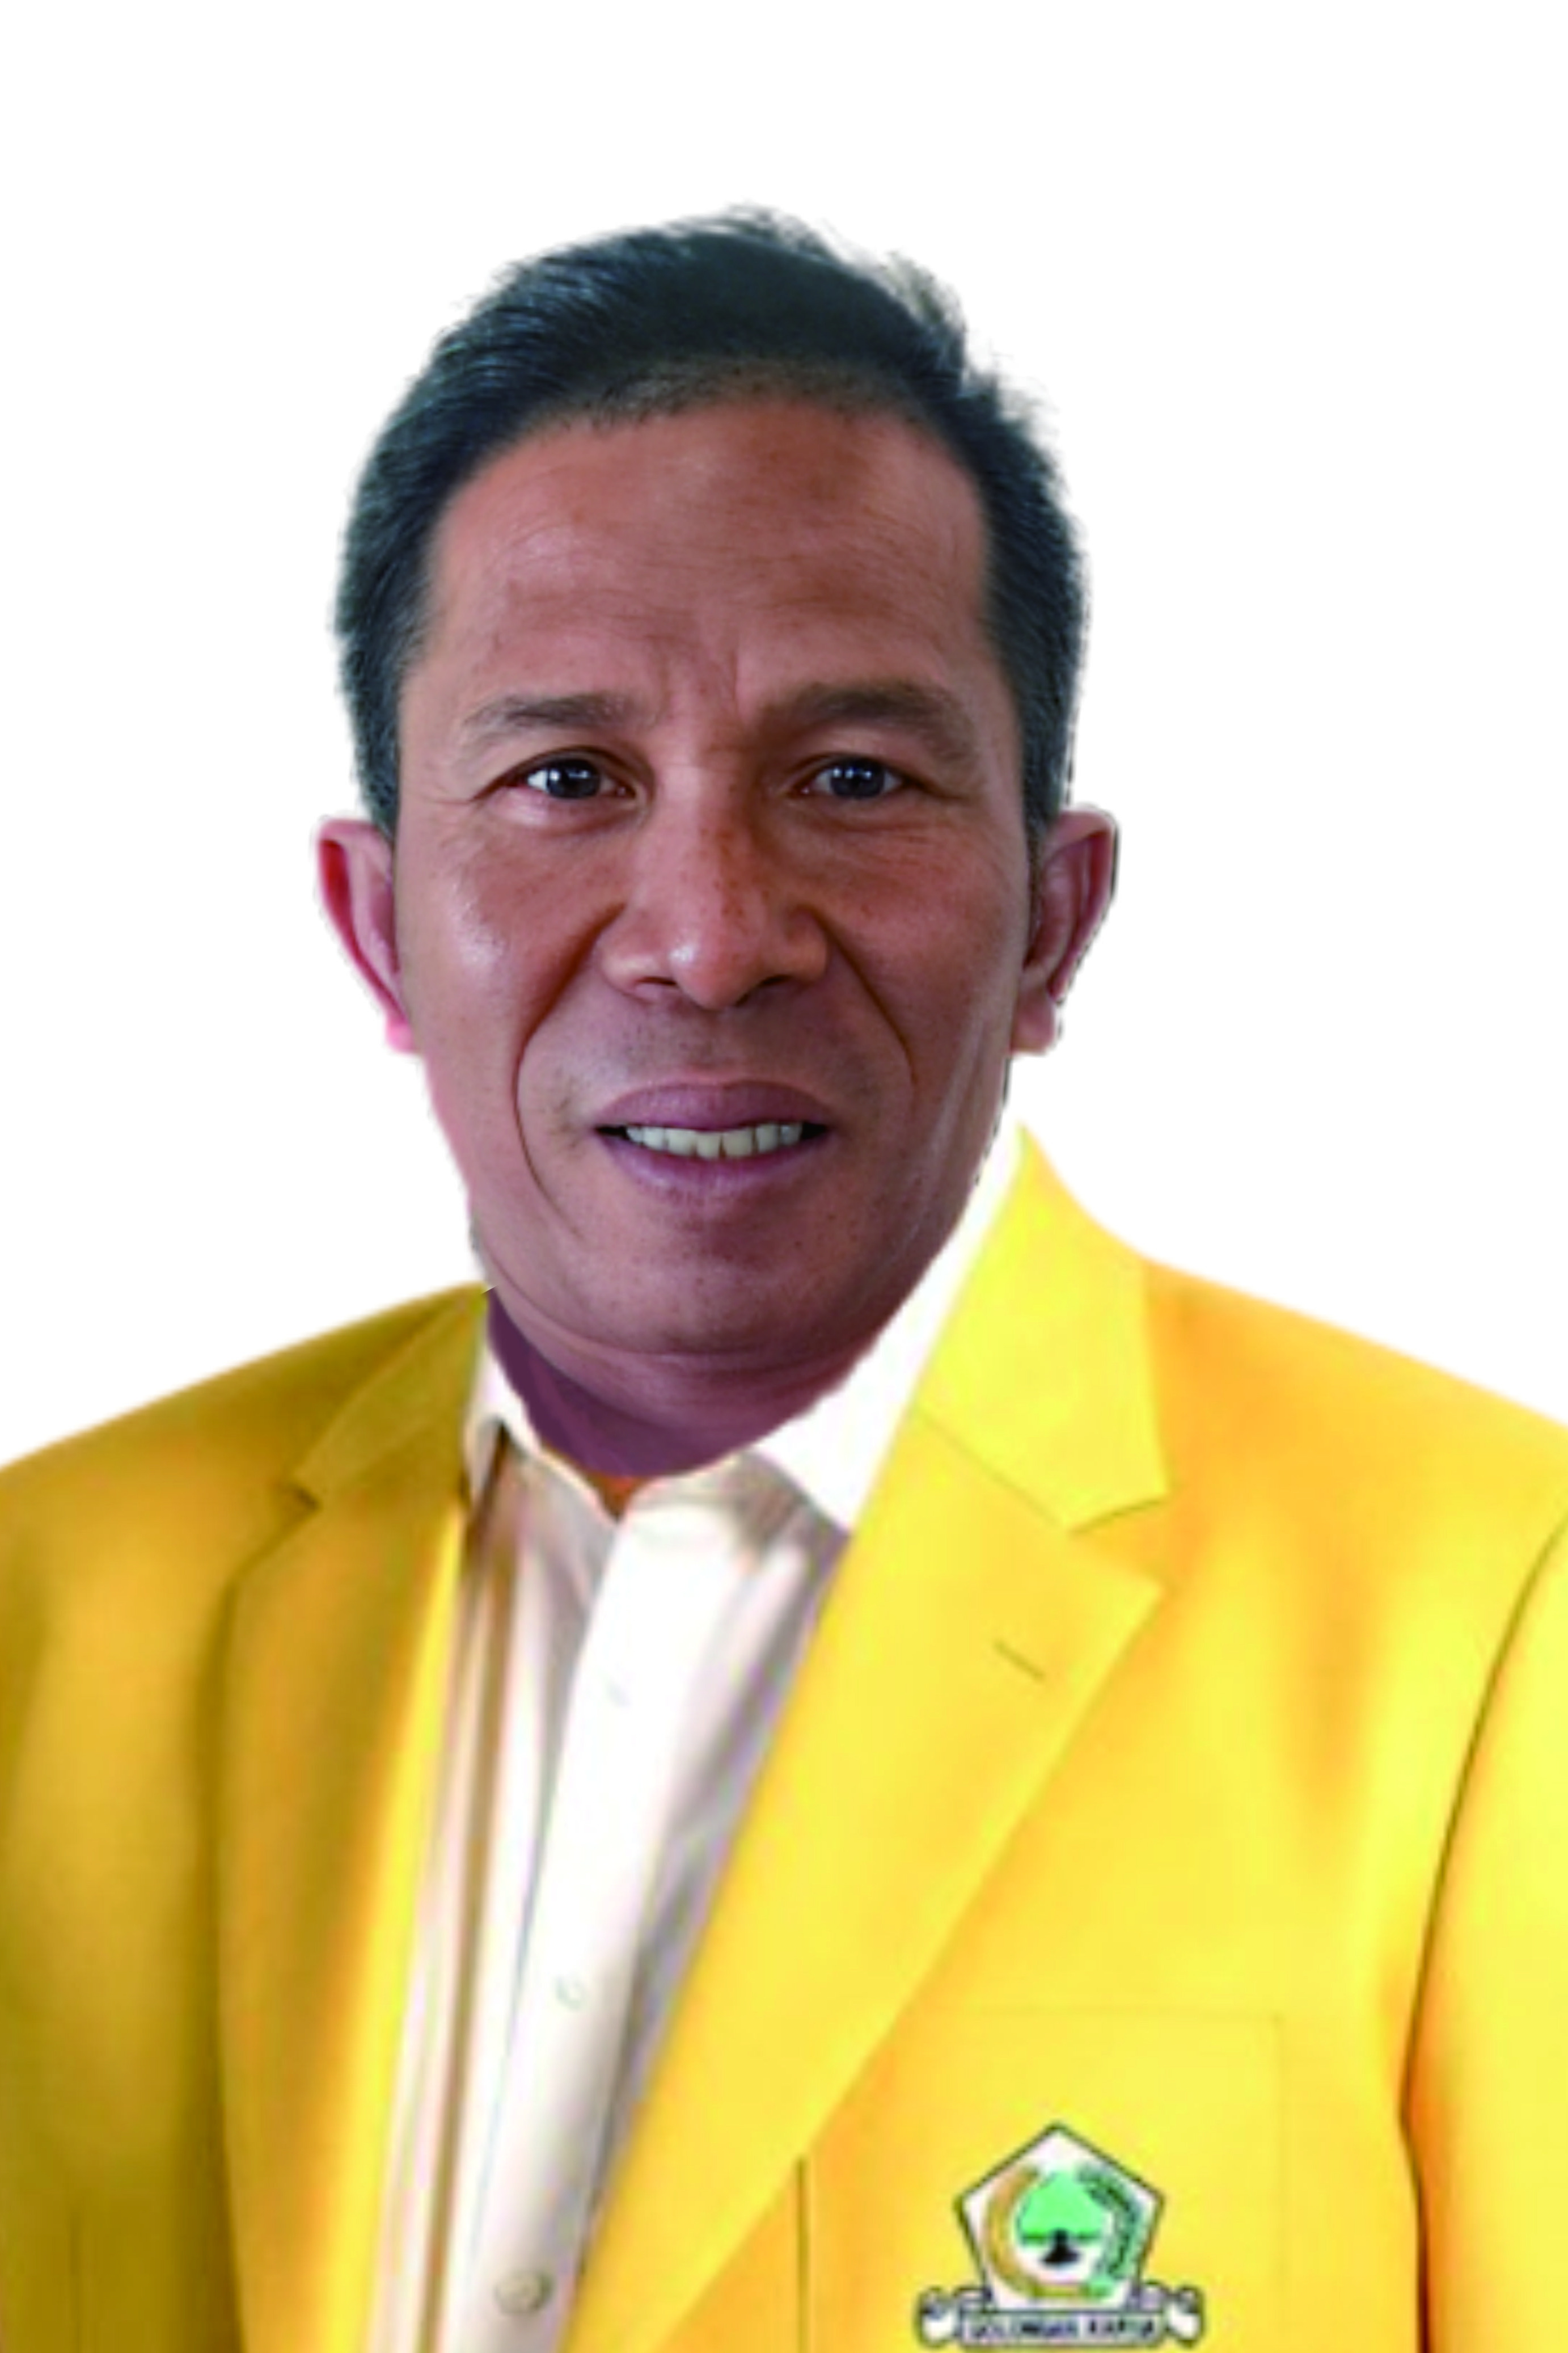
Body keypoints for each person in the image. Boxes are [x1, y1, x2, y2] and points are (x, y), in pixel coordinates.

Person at [0, 212, 1563, 2353]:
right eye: (567, 781)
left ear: (1052, 919)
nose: (710, 936)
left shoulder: (1493, 1614)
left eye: (853, 780)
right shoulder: (45, 1604)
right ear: (378, 930)